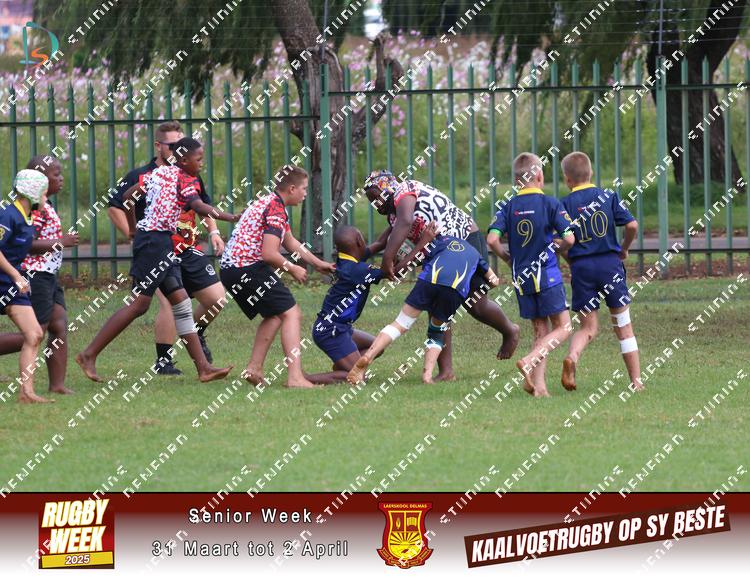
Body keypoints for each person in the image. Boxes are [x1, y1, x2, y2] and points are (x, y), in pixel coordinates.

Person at [76, 138, 237, 383]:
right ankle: (88, 355)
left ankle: (204, 369)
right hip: (155, 244)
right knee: (138, 306)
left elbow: (128, 196)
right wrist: (231, 217)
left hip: (158, 242)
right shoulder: (185, 179)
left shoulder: (159, 172)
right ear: (184, 160)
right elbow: (198, 206)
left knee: (181, 303)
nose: (202, 163)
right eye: (199, 159)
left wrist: (134, 228)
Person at [363, 171, 519, 381]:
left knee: (476, 305)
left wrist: (387, 260)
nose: (376, 204)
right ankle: (446, 371)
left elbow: (406, 221)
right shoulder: (393, 215)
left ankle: (509, 330)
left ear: (389, 188)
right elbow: (389, 243)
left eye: (377, 197)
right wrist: (367, 259)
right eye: (371, 201)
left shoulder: (405, 191)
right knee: (436, 304)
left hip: (463, 240)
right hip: (438, 250)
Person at [108, 121, 226, 373]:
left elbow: (202, 205)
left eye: (180, 144)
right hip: (159, 247)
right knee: (167, 304)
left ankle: (196, 336)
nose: (177, 149)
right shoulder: (144, 174)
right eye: (172, 146)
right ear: (158, 146)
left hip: (187, 247)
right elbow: (117, 205)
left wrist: (214, 231)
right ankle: (165, 361)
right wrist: (132, 232)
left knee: (216, 299)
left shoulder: (189, 172)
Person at [219, 165, 335, 388]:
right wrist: (292, 268)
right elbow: (269, 253)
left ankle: (254, 368)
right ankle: (295, 378)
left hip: (231, 270)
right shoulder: (275, 209)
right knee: (292, 313)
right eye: (304, 188)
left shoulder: (271, 203)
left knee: (274, 315)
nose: (305, 193)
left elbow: (290, 242)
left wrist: (317, 263)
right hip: (247, 268)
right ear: (291, 188)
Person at [346, 232, 500, 385]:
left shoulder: (442, 241)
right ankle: (427, 377)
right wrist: (477, 291)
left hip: (429, 280)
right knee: (437, 333)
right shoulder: (475, 253)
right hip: (455, 290)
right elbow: (494, 281)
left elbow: (419, 258)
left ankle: (368, 356)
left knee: (401, 323)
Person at [487, 152, 575, 398]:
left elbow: (492, 239)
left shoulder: (507, 206)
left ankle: (539, 388)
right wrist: (557, 248)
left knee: (540, 331)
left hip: (522, 277)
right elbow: (570, 238)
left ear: (517, 180)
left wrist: (506, 258)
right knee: (565, 327)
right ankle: (529, 360)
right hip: (546, 275)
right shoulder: (550, 204)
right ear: (539, 176)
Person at [306, 224, 435, 385]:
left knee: (376, 347)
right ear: (359, 242)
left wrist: (397, 224)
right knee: (357, 377)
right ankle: (305, 379)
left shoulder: (348, 259)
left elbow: (380, 243)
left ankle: (343, 366)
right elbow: (393, 273)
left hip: (338, 327)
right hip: (331, 330)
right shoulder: (358, 270)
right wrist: (423, 243)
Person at [558, 151, 643, 391]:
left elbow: (562, 242)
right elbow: (632, 225)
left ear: (567, 178)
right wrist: (624, 248)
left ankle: (572, 357)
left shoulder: (563, 205)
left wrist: (571, 260)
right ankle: (636, 382)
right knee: (623, 326)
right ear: (591, 172)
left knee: (587, 327)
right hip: (609, 265)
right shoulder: (608, 196)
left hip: (582, 268)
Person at [0, 156, 79, 395]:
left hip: (48, 274)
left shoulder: (42, 206)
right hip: (34, 274)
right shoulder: (25, 212)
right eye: (55, 175)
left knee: (58, 324)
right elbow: (26, 245)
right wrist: (60, 242)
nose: (61, 178)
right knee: (36, 333)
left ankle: (56, 385)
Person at [0, 170, 52, 403]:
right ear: (32, 193)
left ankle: (27, 393)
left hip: (11, 284)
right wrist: (16, 275)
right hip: (8, 279)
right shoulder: (7, 215)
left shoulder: (28, 217)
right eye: (44, 194)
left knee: (34, 334)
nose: (46, 199)